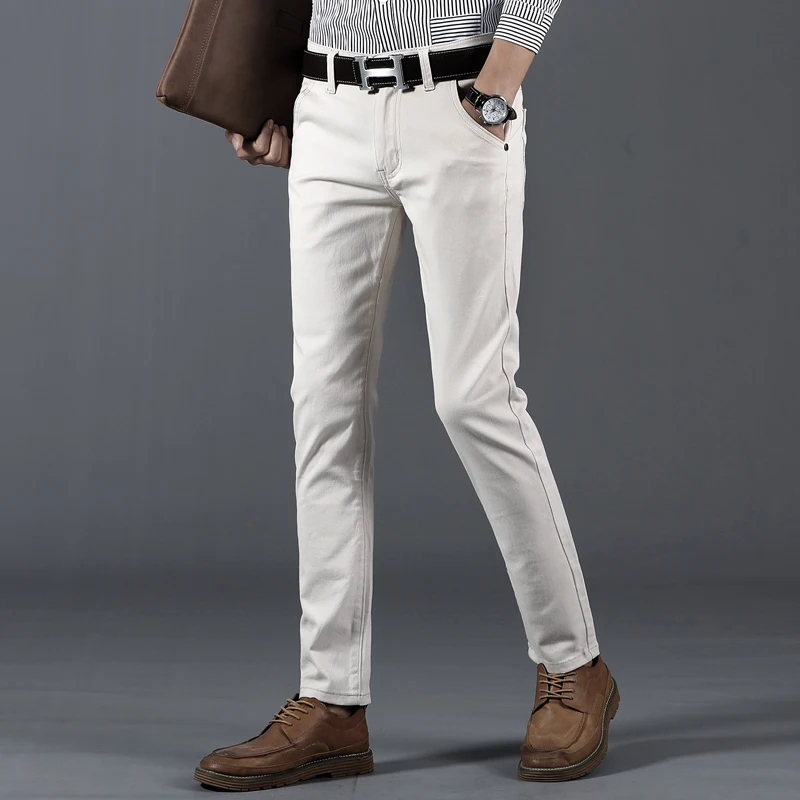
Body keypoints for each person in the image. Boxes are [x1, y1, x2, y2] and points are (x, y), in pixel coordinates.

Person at [194, 0, 620, 791]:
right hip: (328, 108)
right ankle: (331, 702)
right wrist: (260, 87)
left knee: (474, 397)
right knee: (323, 405)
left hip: (455, 100)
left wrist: (499, 84)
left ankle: (575, 666)